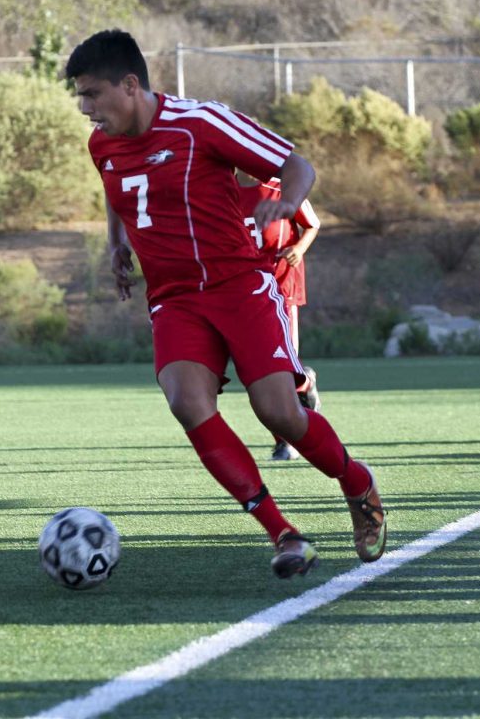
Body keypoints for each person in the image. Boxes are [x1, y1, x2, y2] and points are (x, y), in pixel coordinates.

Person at [65, 29, 386, 578]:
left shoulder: (200, 123)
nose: (84, 108)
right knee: (186, 401)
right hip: (173, 297)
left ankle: (358, 484)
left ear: (130, 84)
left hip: (239, 285)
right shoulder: (103, 143)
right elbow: (114, 190)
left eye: (92, 94)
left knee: (279, 413)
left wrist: (285, 202)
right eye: (79, 95)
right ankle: (282, 533)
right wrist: (116, 245)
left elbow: (297, 165)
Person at [238, 176, 322, 461]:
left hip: (281, 289)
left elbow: (312, 224)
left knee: (281, 369)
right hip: (241, 293)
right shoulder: (221, 188)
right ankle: (304, 384)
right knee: (255, 375)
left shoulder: (282, 187)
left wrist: (298, 249)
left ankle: (287, 441)